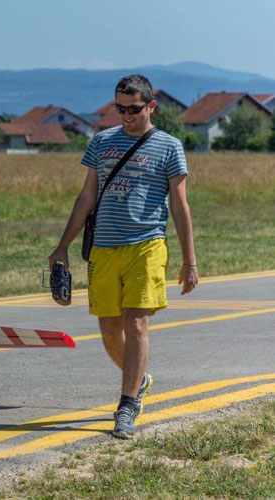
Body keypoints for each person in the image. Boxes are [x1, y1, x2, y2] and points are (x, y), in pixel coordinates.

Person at [48, 74, 198, 439]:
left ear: (151, 106)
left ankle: (127, 405)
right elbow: (87, 197)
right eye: (120, 109)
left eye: (134, 109)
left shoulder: (169, 147)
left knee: (136, 325)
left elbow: (180, 206)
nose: (127, 115)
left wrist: (189, 260)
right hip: (104, 247)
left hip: (147, 245)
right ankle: (140, 378)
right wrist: (63, 245)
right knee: (110, 329)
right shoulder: (101, 142)